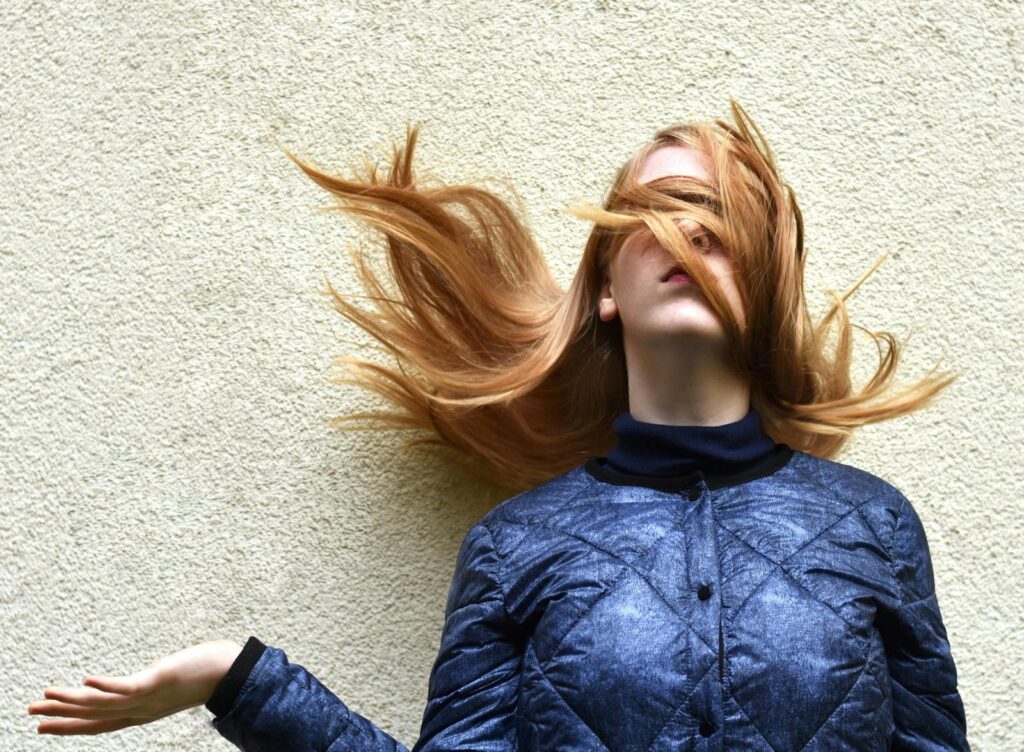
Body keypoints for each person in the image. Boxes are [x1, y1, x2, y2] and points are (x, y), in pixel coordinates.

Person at [27, 100, 970, 750]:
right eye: (662, 209)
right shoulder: (515, 546)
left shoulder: (872, 527)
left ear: (763, 280)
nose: (698, 231)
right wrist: (240, 680)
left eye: (725, 214)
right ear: (605, 287)